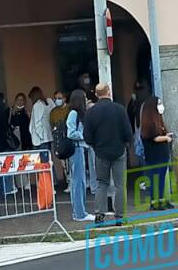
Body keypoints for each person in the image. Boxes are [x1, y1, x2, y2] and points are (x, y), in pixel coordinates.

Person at [84, 83, 132, 224]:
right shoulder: (120, 109)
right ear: (109, 92)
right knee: (119, 185)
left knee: (102, 183)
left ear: (97, 94)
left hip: (100, 152)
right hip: (118, 151)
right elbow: (128, 133)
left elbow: (87, 136)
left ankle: (99, 213)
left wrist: (95, 145)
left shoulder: (91, 112)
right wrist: (124, 144)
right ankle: (120, 216)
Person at [139, 96, 175, 210]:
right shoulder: (149, 122)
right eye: (158, 103)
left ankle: (161, 200)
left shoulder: (158, 120)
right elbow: (154, 137)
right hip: (154, 155)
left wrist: (166, 136)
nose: (161, 106)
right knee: (156, 178)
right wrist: (166, 138)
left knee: (161, 178)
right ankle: (155, 202)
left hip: (162, 154)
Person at [66, 90, 94, 222]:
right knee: (79, 181)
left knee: (79, 180)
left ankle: (79, 211)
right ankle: (80, 213)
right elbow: (71, 133)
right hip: (76, 149)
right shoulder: (74, 114)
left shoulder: (76, 113)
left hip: (79, 148)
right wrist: (84, 136)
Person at [49, 89, 70, 190]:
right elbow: (52, 125)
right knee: (63, 164)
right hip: (59, 141)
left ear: (65, 99)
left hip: (69, 139)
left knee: (71, 163)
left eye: (59, 98)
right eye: (56, 98)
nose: (57, 100)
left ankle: (72, 182)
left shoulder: (70, 109)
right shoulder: (53, 112)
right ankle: (68, 181)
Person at [28, 86, 53, 155]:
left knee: (42, 162)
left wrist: (41, 136)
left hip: (40, 140)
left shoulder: (37, 105)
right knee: (48, 161)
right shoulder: (49, 102)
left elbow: (37, 123)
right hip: (47, 137)